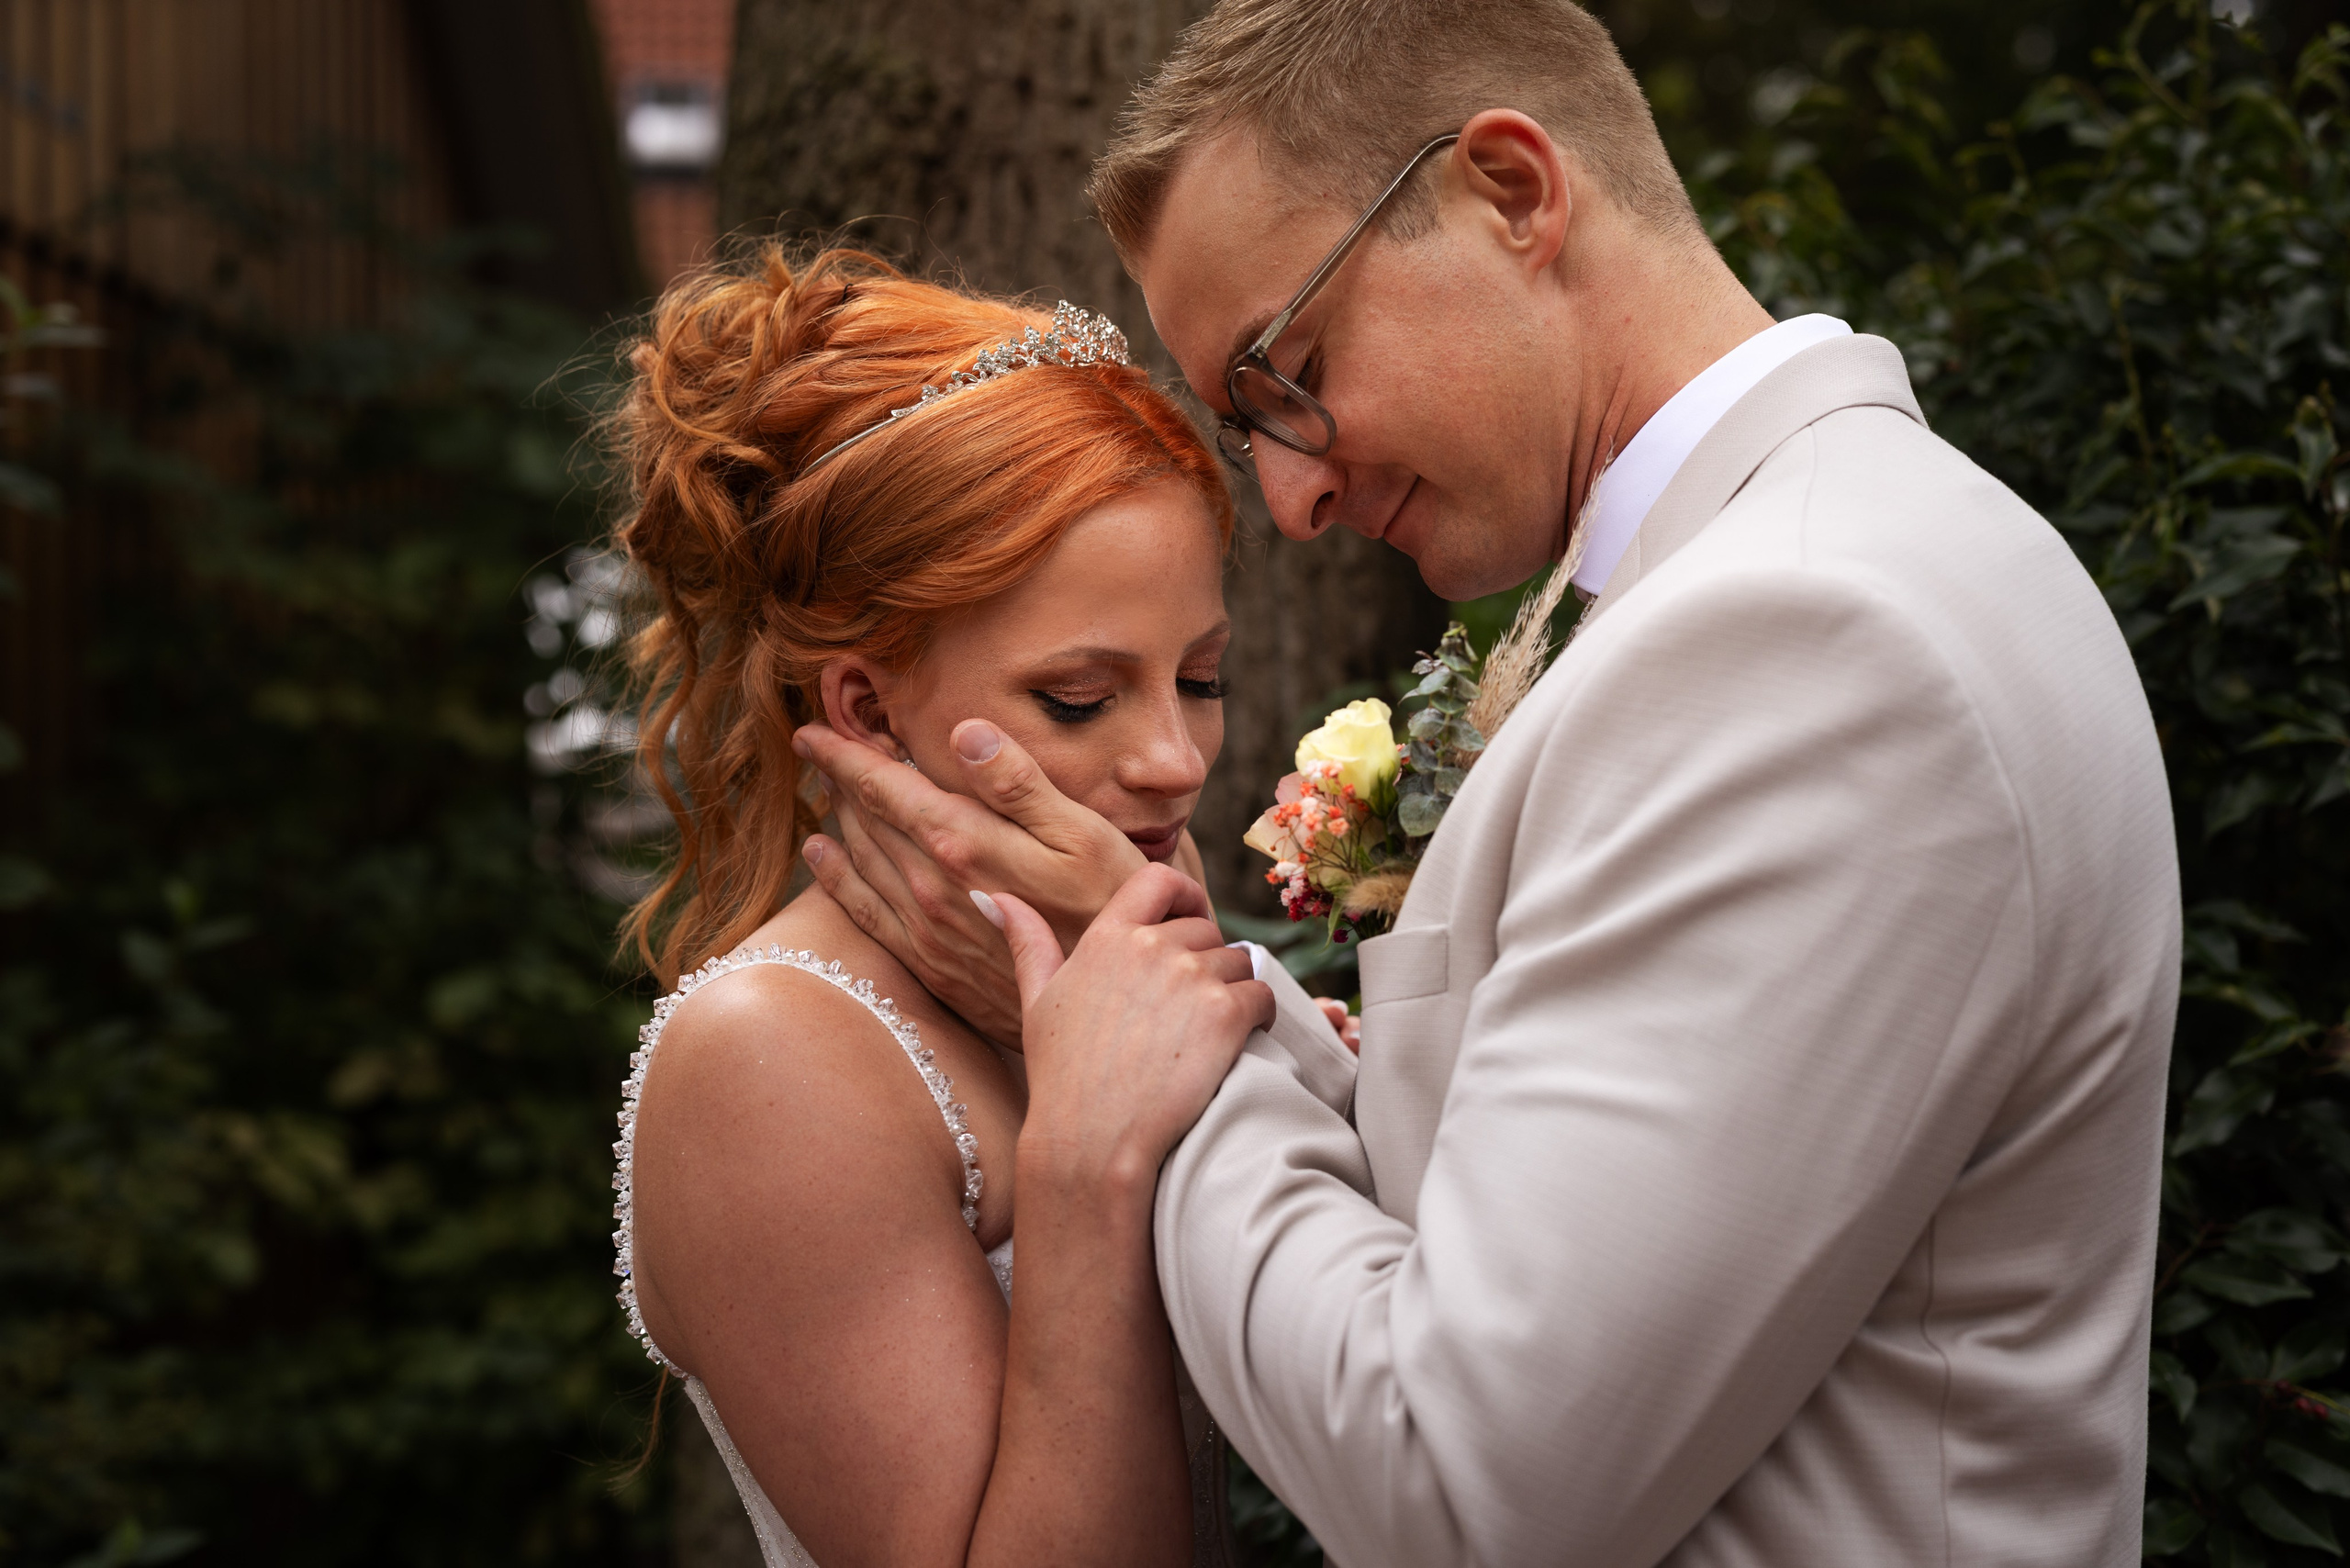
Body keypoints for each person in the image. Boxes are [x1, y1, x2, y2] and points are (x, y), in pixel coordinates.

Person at [794, 2, 2182, 1564]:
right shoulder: (1807, 571)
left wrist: (1139, 1024)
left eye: (1290, 372)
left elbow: (1463, 1485)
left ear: (1512, 192)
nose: (1299, 496)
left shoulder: (1808, 640)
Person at [603, 244, 1319, 1568]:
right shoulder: (773, 1060)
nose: (1177, 760)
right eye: (1081, 698)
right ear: (868, 709)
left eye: (1201, 678)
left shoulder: (1144, 940)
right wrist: (1084, 1160)